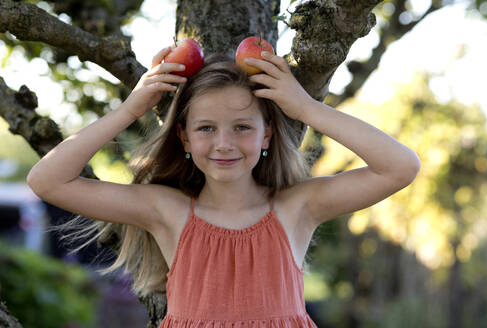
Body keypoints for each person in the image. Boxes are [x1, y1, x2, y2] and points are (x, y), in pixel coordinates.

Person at [26, 45, 420, 327]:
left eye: (243, 127)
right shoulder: (167, 211)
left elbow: (400, 167)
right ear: (183, 138)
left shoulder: (296, 207)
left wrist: (304, 108)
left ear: (267, 136)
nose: (224, 144)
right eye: (206, 128)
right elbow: (46, 180)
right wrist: (132, 109)